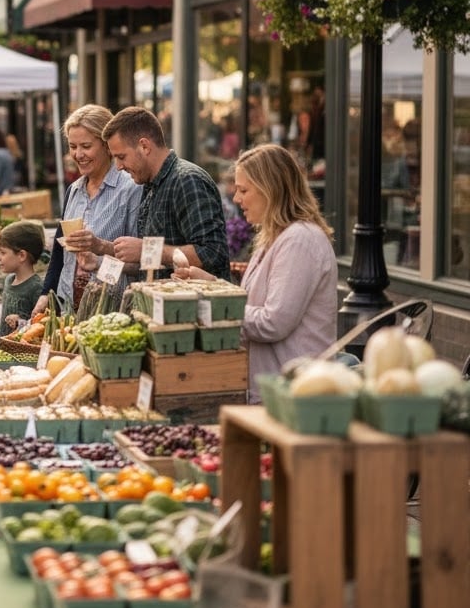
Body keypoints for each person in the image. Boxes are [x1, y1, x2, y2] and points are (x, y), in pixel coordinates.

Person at [174, 143, 338, 399]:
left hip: (294, 392)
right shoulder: (277, 236)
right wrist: (209, 282)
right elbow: (251, 302)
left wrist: (209, 304)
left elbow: (272, 323)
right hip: (274, 387)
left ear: (269, 190)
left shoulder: (299, 240)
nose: (236, 198)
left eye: (243, 190)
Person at [100, 106, 230, 281]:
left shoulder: (187, 180)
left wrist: (146, 249)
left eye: (121, 157)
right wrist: (100, 252)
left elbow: (212, 252)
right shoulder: (150, 184)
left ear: (144, 146)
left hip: (194, 306)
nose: (118, 166)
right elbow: (154, 265)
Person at [35, 105, 143, 313]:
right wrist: (45, 295)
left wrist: (100, 259)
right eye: (73, 146)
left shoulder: (131, 189)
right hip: (69, 310)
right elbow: (59, 254)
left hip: (111, 312)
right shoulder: (74, 191)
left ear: (107, 146)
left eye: (85, 146)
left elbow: (139, 264)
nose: (78, 154)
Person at [0, 220, 45, 332]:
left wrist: (20, 323)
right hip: (2, 348)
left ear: (21, 255)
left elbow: (42, 326)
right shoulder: (9, 280)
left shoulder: (36, 288)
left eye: (2, 252)